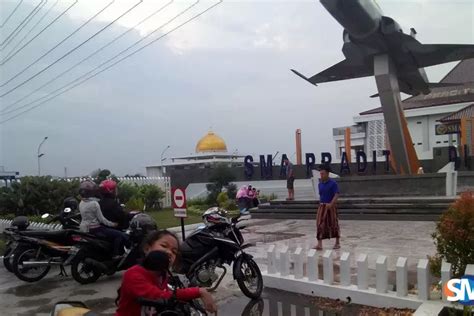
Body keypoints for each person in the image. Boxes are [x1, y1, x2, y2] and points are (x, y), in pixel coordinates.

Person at [115, 230, 217, 316]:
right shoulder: (133, 274)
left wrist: (201, 291)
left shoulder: (162, 275)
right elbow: (162, 296)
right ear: (147, 248)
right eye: (164, 246)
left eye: (174, 252)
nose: (169, 252)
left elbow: (170, 293)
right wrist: (197, 292)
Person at [78, 180, 128, 258]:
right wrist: (113, 224)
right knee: (121, 235)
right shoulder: (96, 203)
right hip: (96, 228)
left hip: (83, 228)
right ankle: (115, 254)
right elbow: (102, 219)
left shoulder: (82, 203)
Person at [314, 165, 340, 250]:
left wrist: (331, 204)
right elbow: (321, 195)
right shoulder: (320, 184)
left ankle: (337, 243)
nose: (321, 175)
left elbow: (337, 194)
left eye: (323, 174)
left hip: (330, 206)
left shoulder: (333, 183)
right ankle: (319, 244)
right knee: (319, 224)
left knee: (334, 223)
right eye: (320, 174)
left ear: (328, 174)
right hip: (322, 206)